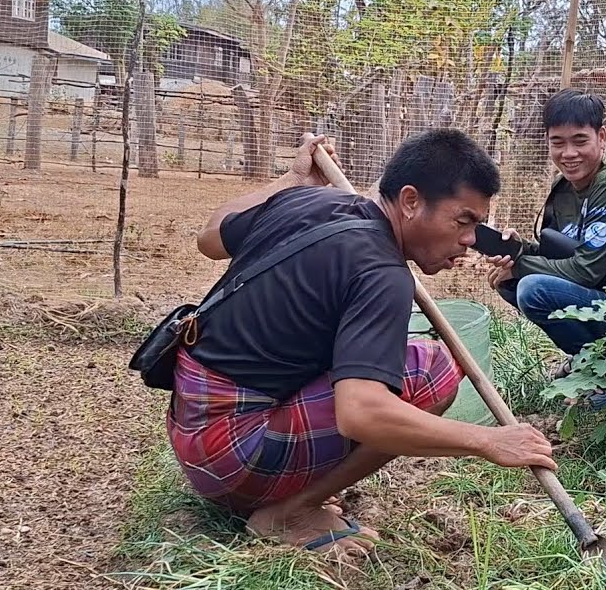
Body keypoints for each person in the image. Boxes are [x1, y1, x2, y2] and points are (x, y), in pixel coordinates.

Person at [167, 129, 556, 561]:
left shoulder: (307, 201)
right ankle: (290, 512)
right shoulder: (380, 272)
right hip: (232, 455)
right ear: (410, 202)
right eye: (463, 221)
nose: (469, 240)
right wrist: (487, 441)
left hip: (195, 428)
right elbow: (361, 415)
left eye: (477, 225)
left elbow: (210, 237)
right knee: (432, 372)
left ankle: (283, 482)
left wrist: (292, 180)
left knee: (369, 356)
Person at [485, 89, 606, 407]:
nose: (568, 153)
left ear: (601, 137)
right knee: (511, 283)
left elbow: (586, 270)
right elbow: (560, 254)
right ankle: (594, 361)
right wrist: (519, 250)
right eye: (557, 142)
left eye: (579, 140)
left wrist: (520, 263)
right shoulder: (564, 189)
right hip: (605, 296)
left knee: (531, 288)